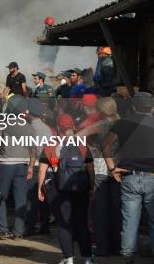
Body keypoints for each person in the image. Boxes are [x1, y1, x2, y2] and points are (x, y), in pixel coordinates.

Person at [103, 92, 154, 264]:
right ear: (152, 107)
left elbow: (106, 146)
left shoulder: (123, 123)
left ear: (133, 106)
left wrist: (112, 169)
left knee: (130, 221)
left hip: (129, 177)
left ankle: (127, 258)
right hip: (153, 178)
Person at [38, 114, 96, 264]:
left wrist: (40, 188)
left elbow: (43, 169)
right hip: (80, 188)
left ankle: (68, 259)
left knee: (63, 224)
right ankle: (87, 259)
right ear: (73, 127)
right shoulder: (82, 144)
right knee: (81, 223)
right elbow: (90, 168)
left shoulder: (52, 144)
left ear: (58, 127)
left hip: (59, 189)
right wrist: (91, 185)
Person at [77, 97, 121, 257]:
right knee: (117, 210)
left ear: (101, 110)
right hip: (119, 170)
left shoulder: (101, 125)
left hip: (101, 169)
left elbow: (78, 136)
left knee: (100, 211)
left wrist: (91, 147)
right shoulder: (121, 123)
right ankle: (117, 247)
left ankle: (103, 248)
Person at [0, 95, 35, 239]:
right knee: (20, 198)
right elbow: (33, 149)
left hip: (5, 163)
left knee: (0, 197)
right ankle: (18, 231)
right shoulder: (29, 126)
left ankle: (3, 229)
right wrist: (31, 166)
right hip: (23, 164)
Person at [25, 99, 53, 236]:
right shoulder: (46, 128)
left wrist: (30, 166)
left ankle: (30, 226)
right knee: (43, 197)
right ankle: (44, 226)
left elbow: (33, 150)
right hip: (46, 166)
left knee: (31, 198)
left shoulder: (32, 128)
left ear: (29, 113)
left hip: (35, 165)